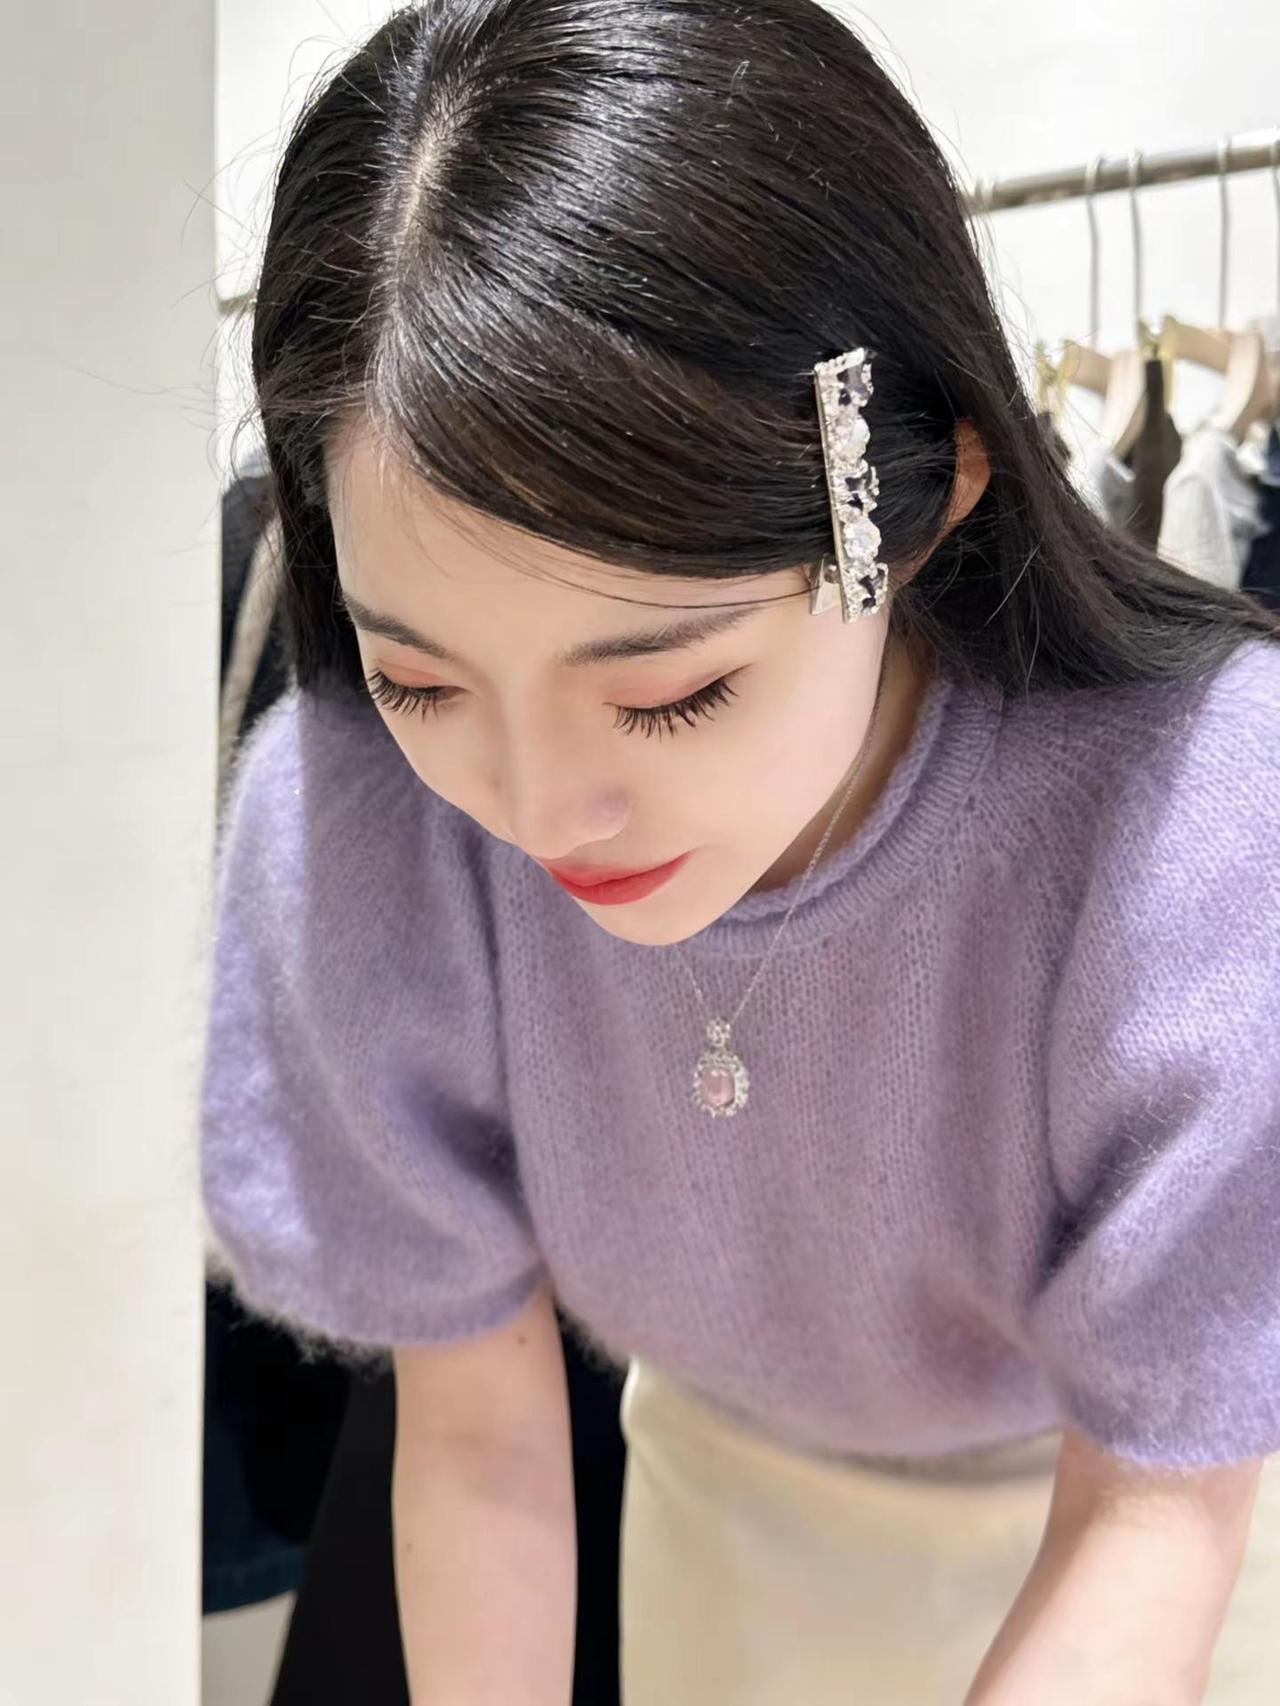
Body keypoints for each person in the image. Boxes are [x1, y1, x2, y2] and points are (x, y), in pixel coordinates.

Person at [199, 3, 1280, 1701]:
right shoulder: (369, 823)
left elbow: (1157, 1514)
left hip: (1161, 1541)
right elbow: (477, 1435)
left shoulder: (1199, 821)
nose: (541, 807)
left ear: (915, 511)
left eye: (671, 694)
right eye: (423, 679)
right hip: (716, 1514)